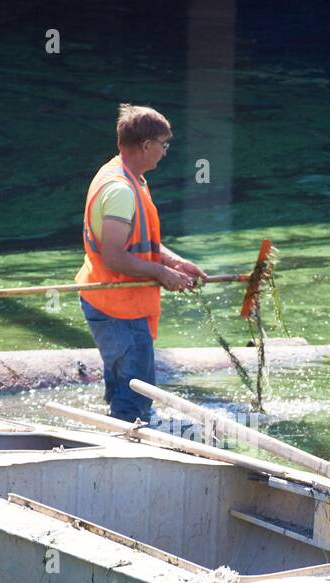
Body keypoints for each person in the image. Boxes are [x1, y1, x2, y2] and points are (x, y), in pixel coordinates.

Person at [75, 103, 204, 422]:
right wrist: (162, 273)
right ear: (146, 145)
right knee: (135, 398)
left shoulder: (130, 177)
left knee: (122, 388)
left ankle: (114, 438)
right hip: (119, 308)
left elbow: (139, 241)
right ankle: (126, 454)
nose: (165, 151)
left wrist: (175, 262)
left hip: (116, 303)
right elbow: (115, 256)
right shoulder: (120, 190)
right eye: (163, 144)